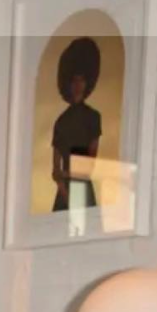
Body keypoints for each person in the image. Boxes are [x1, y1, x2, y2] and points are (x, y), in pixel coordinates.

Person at [51, 37, 103, 212]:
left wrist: (65, 175)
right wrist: (63, 190)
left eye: (81, 80)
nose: (77, 85)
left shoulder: (93, 117)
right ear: (68, 83)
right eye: (74, 80)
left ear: (87, 83)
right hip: (64, 192)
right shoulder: (61, 122)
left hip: (83, 188)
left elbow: (90, 165)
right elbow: (55, 168)